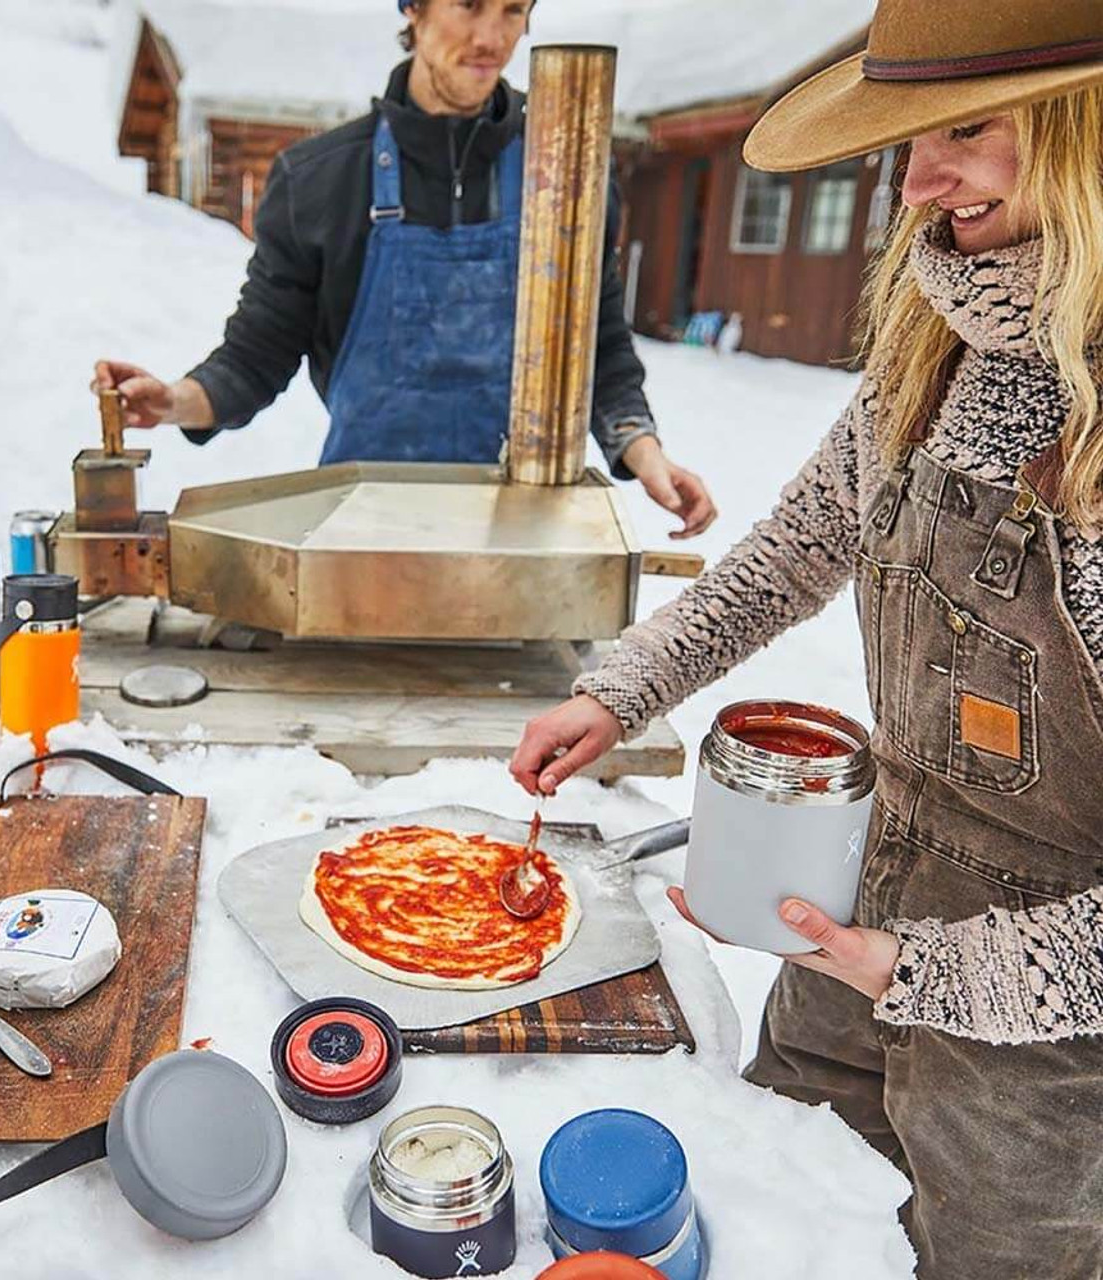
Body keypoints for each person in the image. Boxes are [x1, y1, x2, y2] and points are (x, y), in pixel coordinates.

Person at [512, 2, 1103, 1274]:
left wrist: (928, 972)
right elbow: (794, 547)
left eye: (966, 130)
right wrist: (622, 689)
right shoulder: (936, 349)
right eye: (904, 138)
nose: (914, 183)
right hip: (851, 918)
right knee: (767, 1196)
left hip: (1043, 1054)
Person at [93, 0, 716, 538]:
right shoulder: (321, 180)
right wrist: (173, 400)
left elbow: (597, 349)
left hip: (528, 534)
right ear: (412, 10)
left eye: (513, 10)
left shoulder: (566, 173)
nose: (493, 38)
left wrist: (643, 450)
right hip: (363, 530)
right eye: (469, 5)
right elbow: (257, 354)